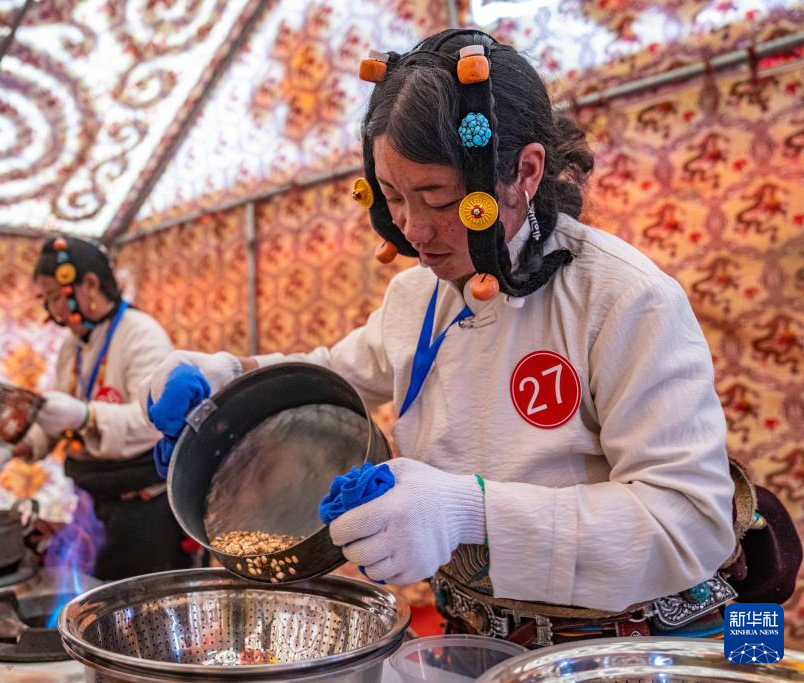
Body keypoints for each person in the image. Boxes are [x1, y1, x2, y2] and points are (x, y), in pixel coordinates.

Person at [141, 29, 798, 646]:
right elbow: (335, 372)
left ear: (526, 172)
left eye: (436, 197)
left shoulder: (623, 298)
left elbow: (687, 520)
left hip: (627, 645)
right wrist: (227, 373)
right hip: (478, 635)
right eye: (393, 196)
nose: (413, 228)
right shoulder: (416, 297)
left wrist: (467, 511)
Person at [9, 236, 193, 580]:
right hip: (95, 504)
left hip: (145, 512)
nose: (52, 311)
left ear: (90, 284)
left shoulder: (141, 333)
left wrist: (87, 415)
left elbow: (152, 421)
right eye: (46, 300)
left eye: (55, 297)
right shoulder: (73, 346)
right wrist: (14, 447)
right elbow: (55, 419)